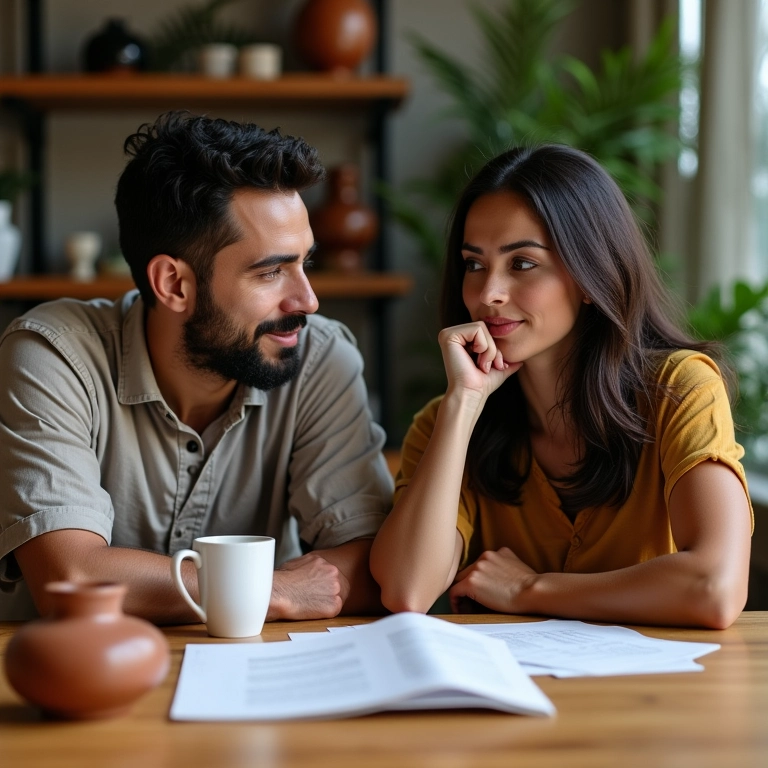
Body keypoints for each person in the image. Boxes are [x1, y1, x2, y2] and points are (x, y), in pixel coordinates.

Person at [0, 111, 394, 623]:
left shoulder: (319, 358)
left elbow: (374, 567)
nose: (309, 300)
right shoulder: (53, 355)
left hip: (259, 675)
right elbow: (71, 578)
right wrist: (275, 590)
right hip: (73, 685)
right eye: (272, 271)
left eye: (305, 263)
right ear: (173, 285)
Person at [370, 144, 753, 629]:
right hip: (510, 695)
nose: (488, 294)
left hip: (656, 698)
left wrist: (529, 589)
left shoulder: (679, 388)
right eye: (474, 264)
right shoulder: (445, 422)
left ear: (591, 273)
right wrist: (464, 404)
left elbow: (715, 588)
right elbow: (407, 589)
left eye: (522, 263)